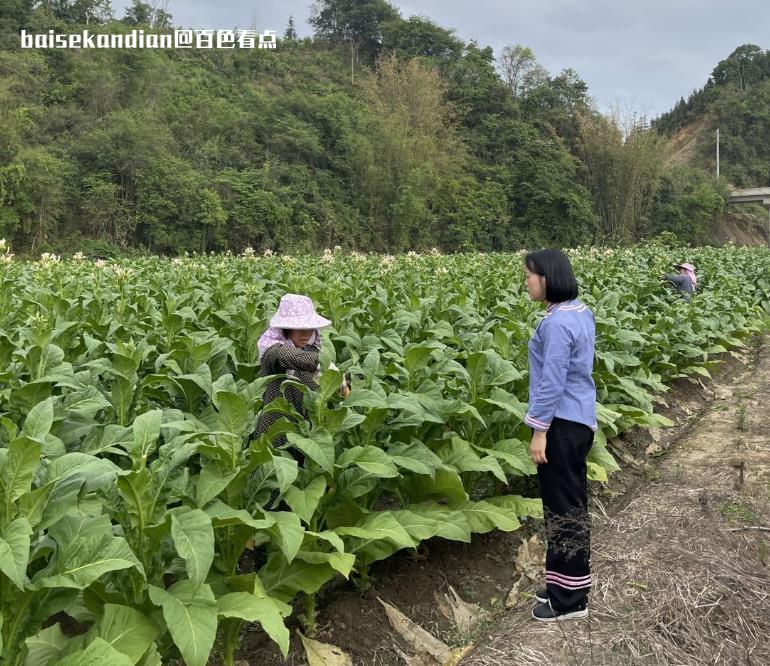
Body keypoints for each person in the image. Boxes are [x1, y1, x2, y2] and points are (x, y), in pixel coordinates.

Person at [523, 248, 597, 622]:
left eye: (529, 276)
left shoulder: (554, 323)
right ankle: (568, 583)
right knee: (573, 505)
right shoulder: (580, 312)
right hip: (580, 421)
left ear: (547, 278)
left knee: (562, 510)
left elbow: (551, 383)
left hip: (560, 425)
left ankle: (569, 603)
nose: (526, 282)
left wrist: (539, 431)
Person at [251, 293, 349, 462]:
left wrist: (341, 383)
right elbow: (286, 356)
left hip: (306, 428)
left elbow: (325, 383)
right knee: (273, 473)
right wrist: (324, 364)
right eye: (300, 328)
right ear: (285, 328)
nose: (306, 334)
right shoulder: (272, 352)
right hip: (278, 426)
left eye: (309, 328)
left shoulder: (311, 351)